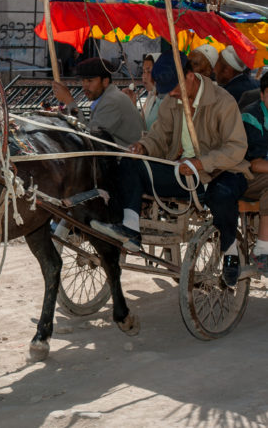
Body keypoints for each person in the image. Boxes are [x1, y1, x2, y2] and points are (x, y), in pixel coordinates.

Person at [91, 50, 251, 287]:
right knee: (130, 163)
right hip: (182, 173)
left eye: (176, 88)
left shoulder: (222, 100)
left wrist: (200, 163)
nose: (173, 94)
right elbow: (158, 137)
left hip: (221, 171)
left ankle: (230, 251)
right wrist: (143, 147)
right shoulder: (171, 101)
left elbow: (236, 147)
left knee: (223, 197)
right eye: (169, 90)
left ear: (190, 76)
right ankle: (131, 229)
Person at [52, 57, 144, 147]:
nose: (85, 86)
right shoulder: (108, 97)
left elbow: (90, 135)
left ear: (105, 81)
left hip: (130, 159)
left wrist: (69, 101)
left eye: (90, 81)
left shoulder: (112, 101)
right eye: (83, 81)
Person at [242, 71, 268, 273]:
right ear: (262, 95)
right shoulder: (252, 117)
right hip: (243, 178)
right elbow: (255, 164)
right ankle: (261, 250)